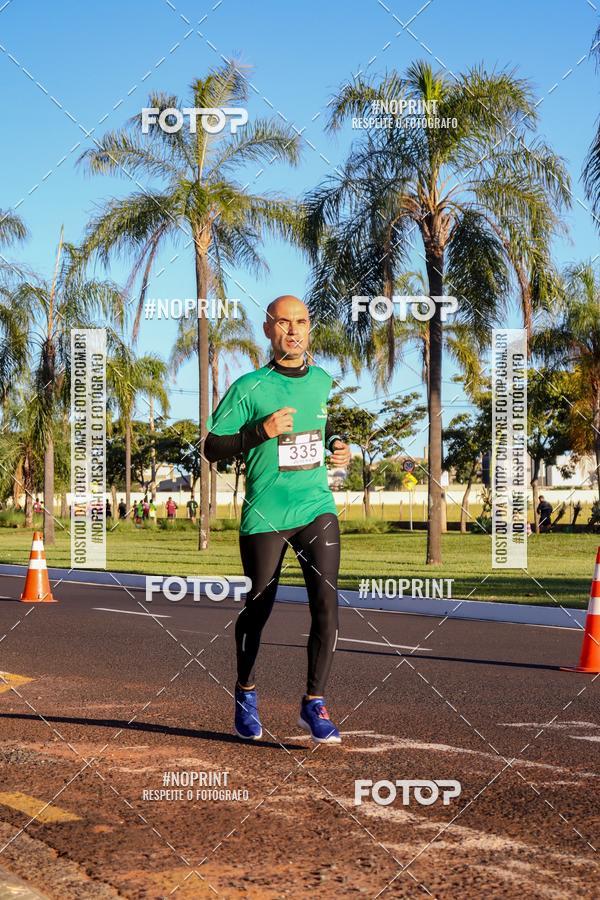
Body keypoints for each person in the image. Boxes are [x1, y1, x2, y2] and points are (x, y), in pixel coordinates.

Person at [205, 295, 351, 745]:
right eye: (283, 323)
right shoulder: (249, 386)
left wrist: (340, 446)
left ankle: (314, 702)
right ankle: (246, 692)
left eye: (301, 322)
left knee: (326, 603)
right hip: (266, 513)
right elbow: (212, 447)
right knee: (260, 606)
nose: (293, 330)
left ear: (310, 329)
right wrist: (260, 433)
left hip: (315, 505)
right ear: (268, 330)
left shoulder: (323, 380)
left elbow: (326, 425)